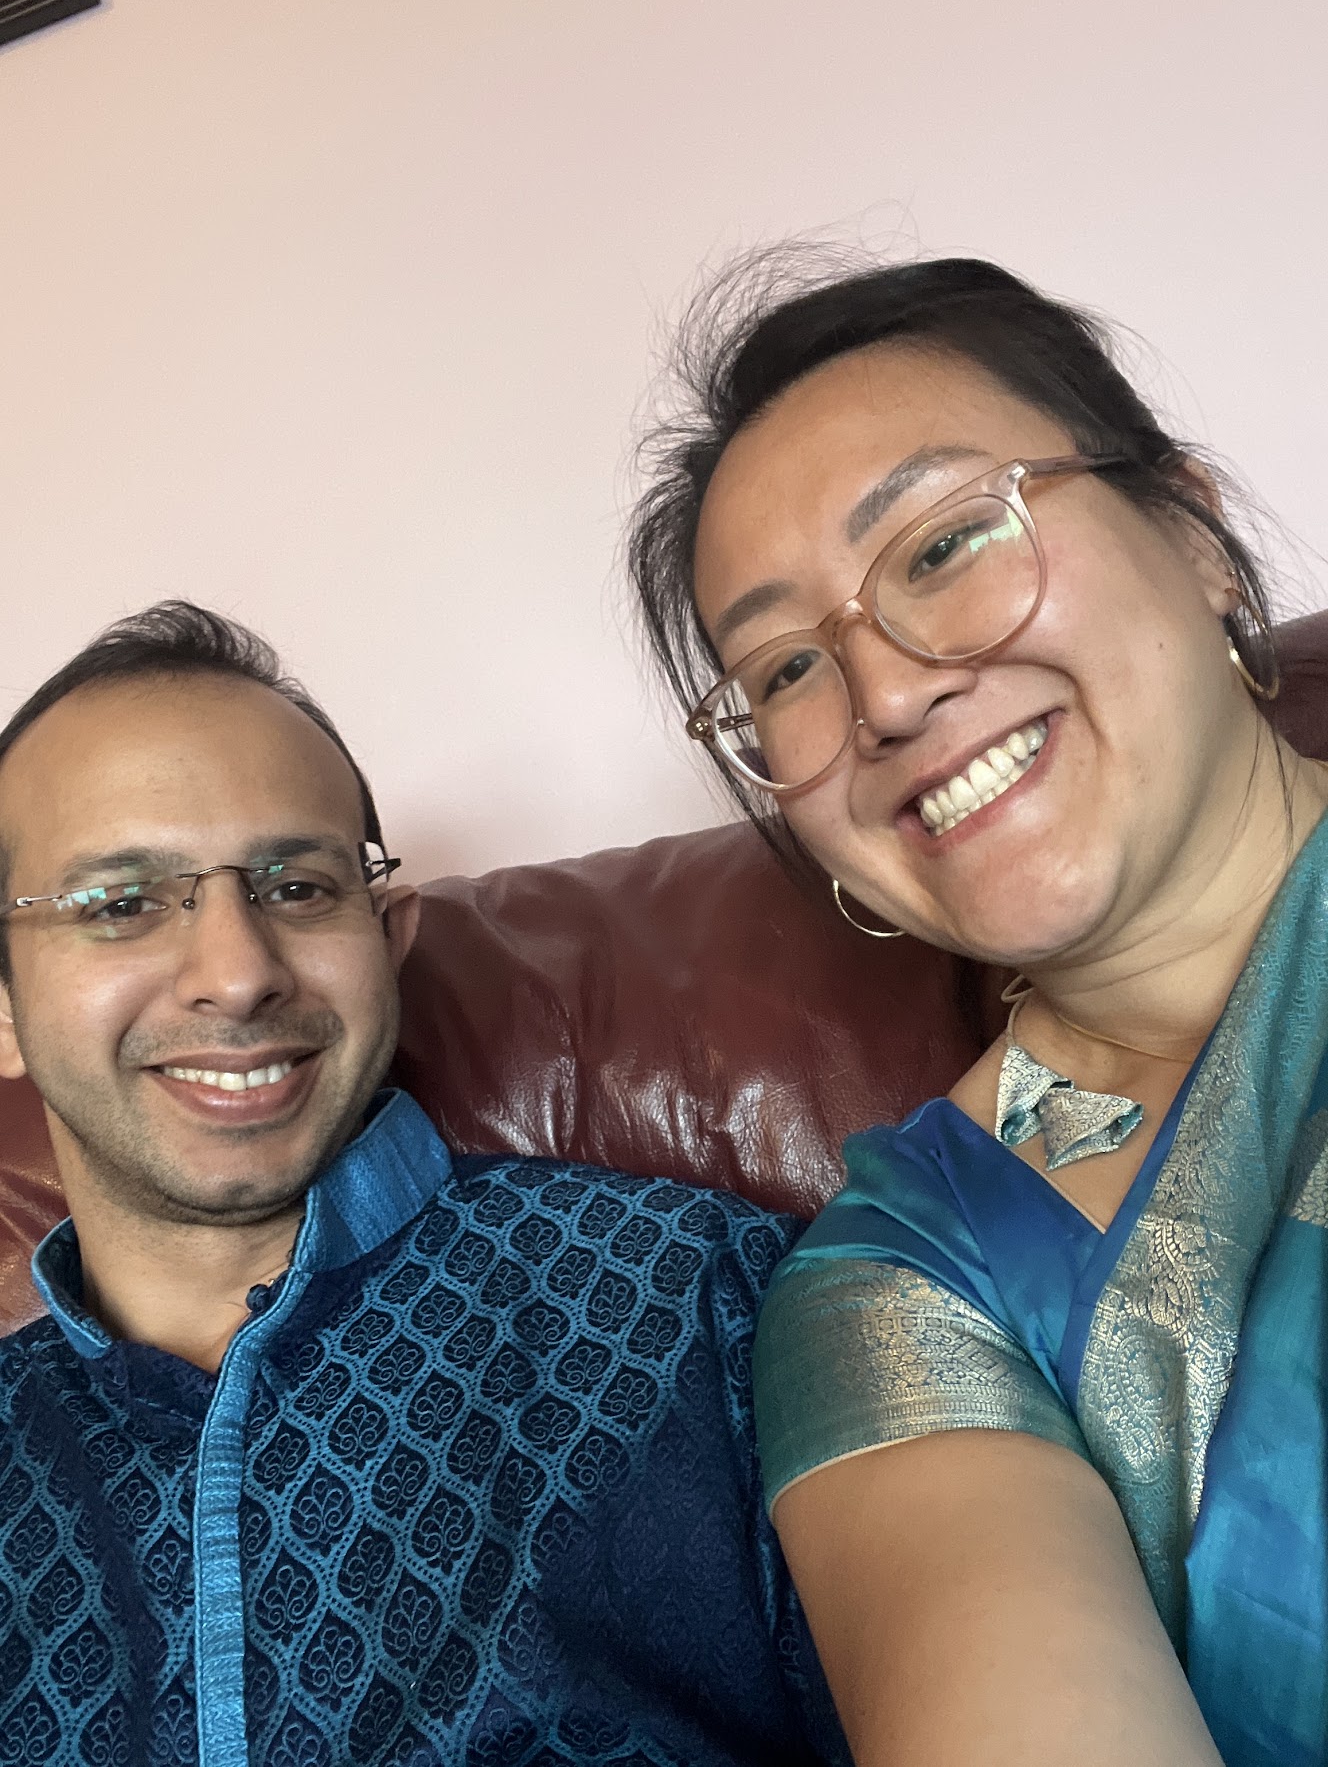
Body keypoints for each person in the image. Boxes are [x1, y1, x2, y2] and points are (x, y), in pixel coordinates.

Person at [628, 254, 1328, 1767]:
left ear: (1193, 531)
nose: (883, 696)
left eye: (945, 542)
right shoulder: (900, 1285)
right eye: (787, 666)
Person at [0, 602, 846, 1767]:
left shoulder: (702, 1297)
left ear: (391, 938)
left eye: (298, 887)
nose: (237, 974)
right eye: (120, 904)